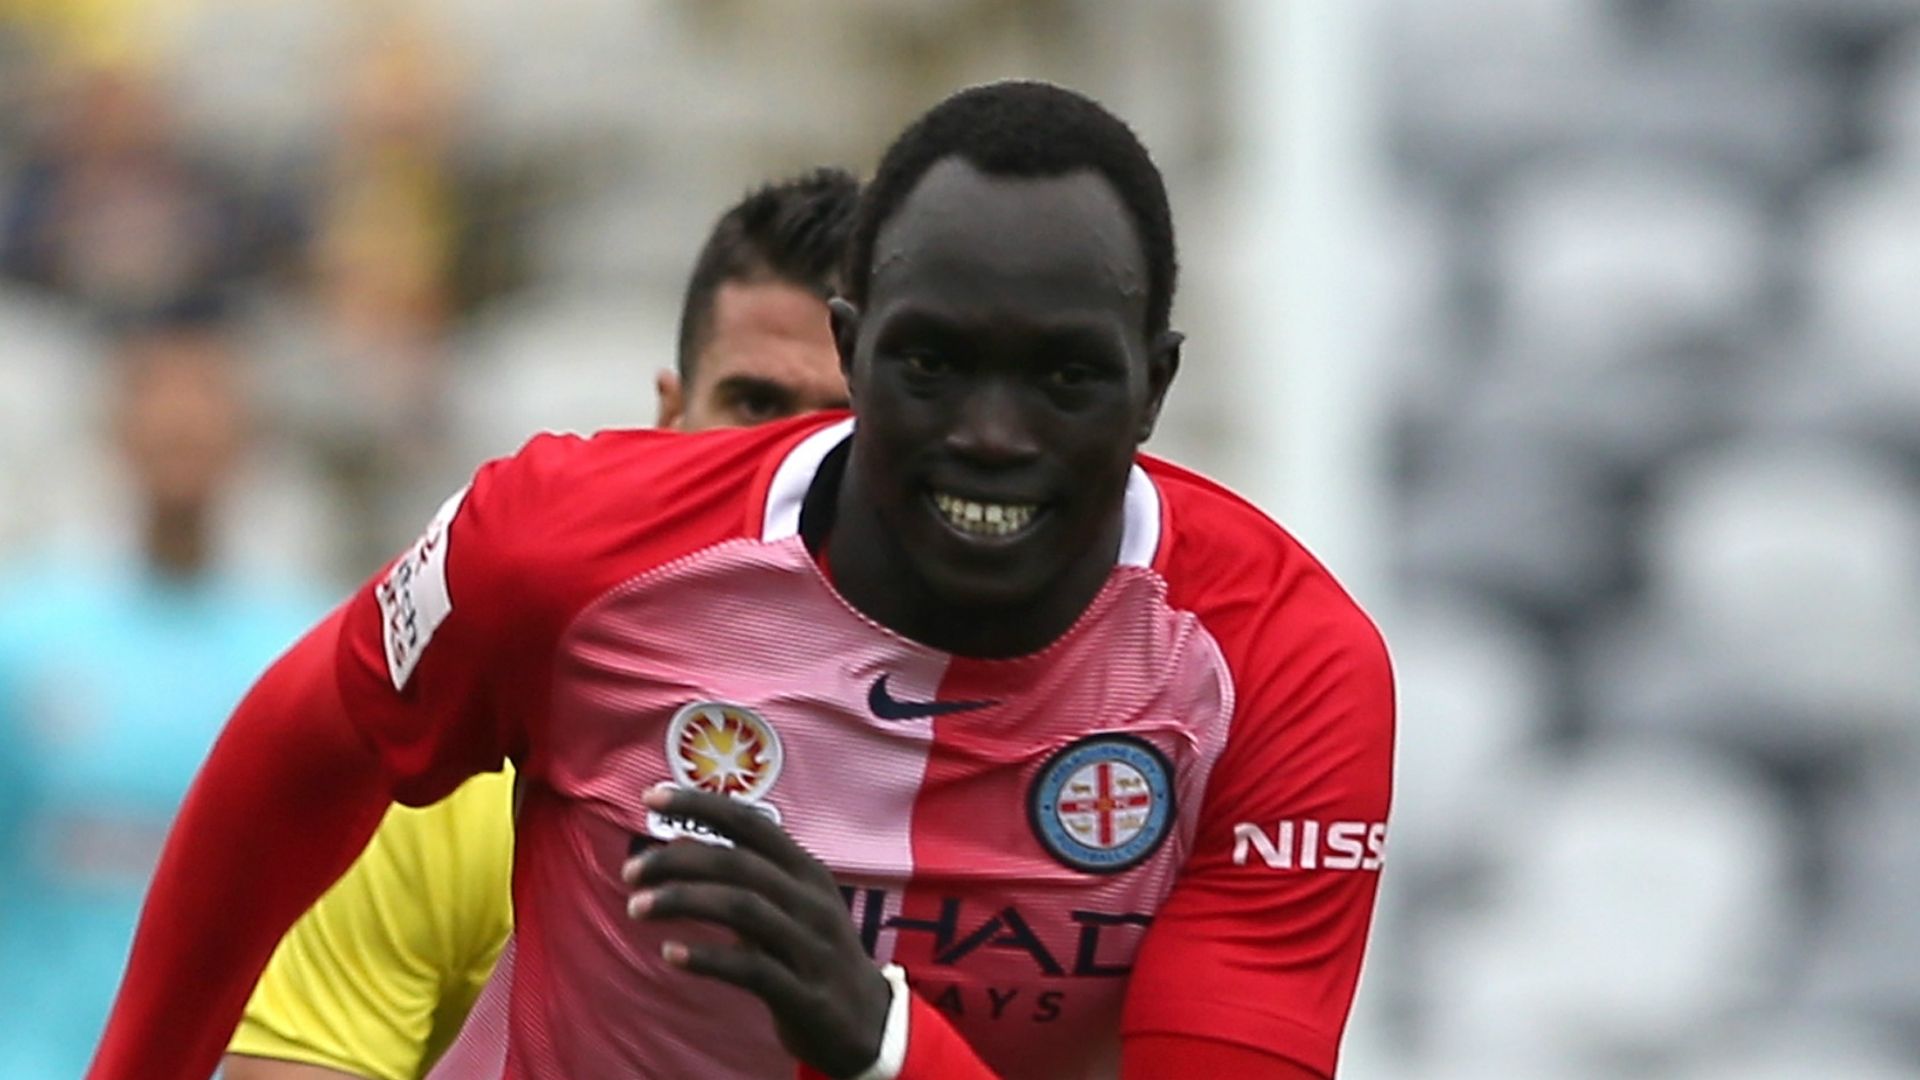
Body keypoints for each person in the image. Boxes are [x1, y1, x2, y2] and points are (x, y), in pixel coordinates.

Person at [90, 81, 1393, 1080]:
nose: (993, 436)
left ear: (1157, 384)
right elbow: (301, 742)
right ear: (854, 345)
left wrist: (882, 1037)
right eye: (933, 364)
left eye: (1064, 377)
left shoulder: (1283, 669)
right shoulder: (562, 550)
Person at [223, 167, 861, 1080]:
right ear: (667, 418)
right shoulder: (466, 772)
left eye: (837, 426)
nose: (785, 467)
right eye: (754, 406)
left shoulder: (1010, 775)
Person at [0, 319, 323, 1079]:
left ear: (249, 432)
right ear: (116, 427)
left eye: (207, 396)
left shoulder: (307, 652)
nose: (183, 421)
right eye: (158, 395)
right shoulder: (22, 634)